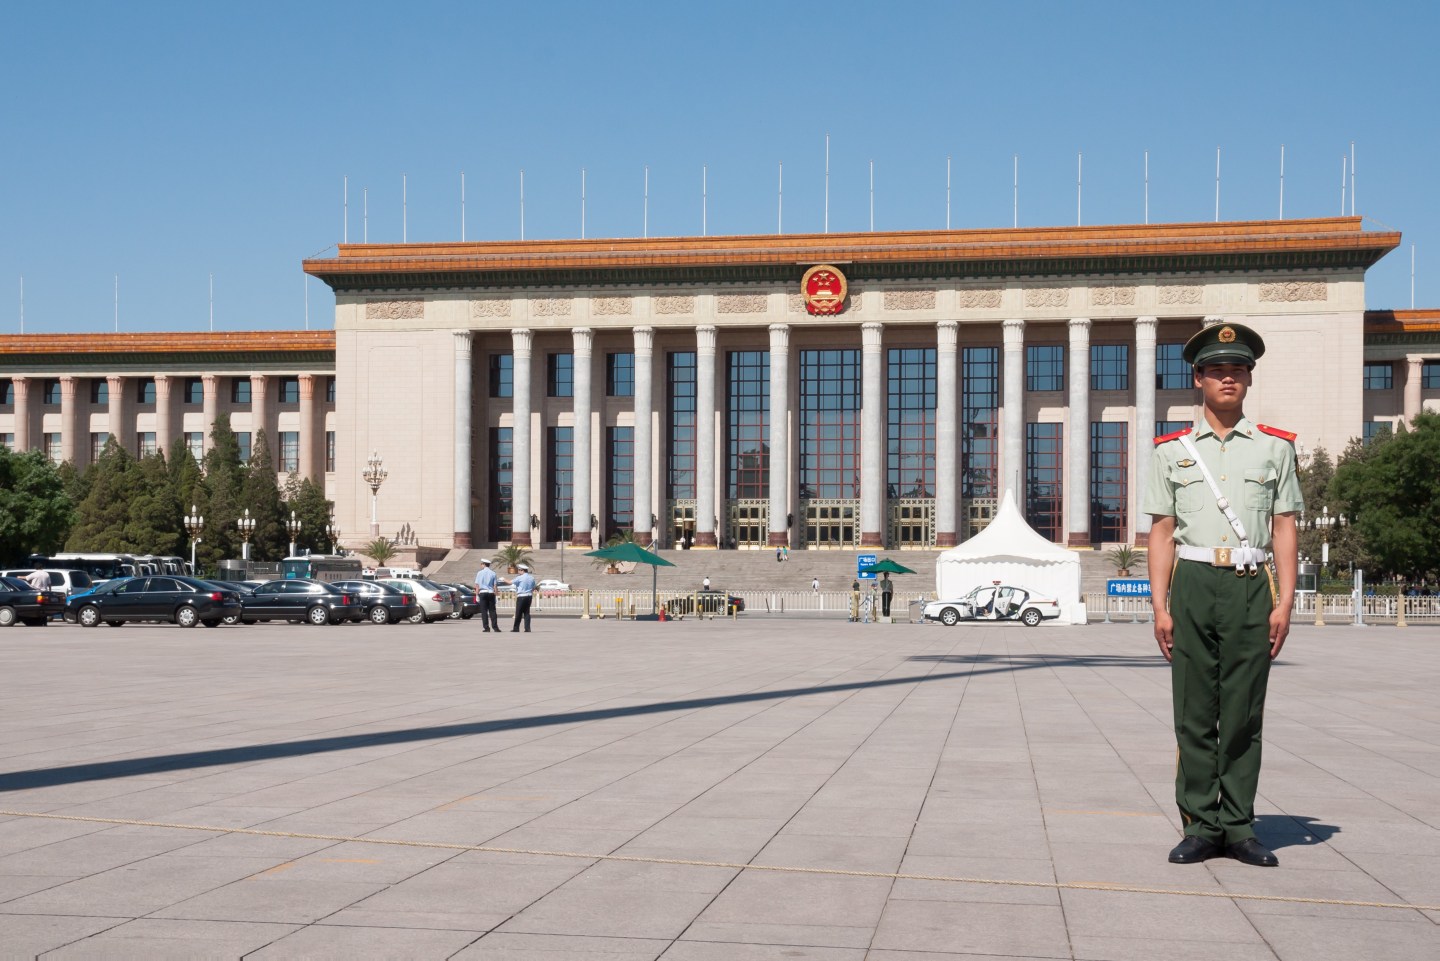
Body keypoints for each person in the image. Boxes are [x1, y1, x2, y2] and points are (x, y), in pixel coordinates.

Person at [1144, 322, 1301, 869]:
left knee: (1242, 712)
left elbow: (1284, 526)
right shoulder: (1171, 452)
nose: (1227, 378)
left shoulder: (1275, 448)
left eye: (1237, 370)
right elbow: (1162, 531)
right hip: (1192, 582)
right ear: (1199, 379)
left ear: (1249, 379)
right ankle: (1200, 826)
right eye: (1216, 371)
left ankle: (1238, 826)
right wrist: (1160, 606)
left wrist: (1285, 602)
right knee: (1193, 712)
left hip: (1250, 584)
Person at [474, 558, 502, 633]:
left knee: (484, 611)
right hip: (491, 593)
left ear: (483, 564)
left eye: (481, 564)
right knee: (492, 611)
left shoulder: (479, 573)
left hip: (483, 593)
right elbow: (495, 586)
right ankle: (495, 627)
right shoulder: (493, 573)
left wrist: (476, 595)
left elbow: (477, 585)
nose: (481, 565)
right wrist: (496, 595)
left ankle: (486, 628)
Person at [510, 563, 537, 633]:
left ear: (522, 570)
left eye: (519, 570)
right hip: (529, 596)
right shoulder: (531, 577)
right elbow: (534, 587)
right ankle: (527, 628)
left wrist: (503, 579)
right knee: (527, 613)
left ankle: (516, 628)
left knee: (518, 613)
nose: (518, 571)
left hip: (521, 596)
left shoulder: (520, 577)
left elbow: (510, 582)